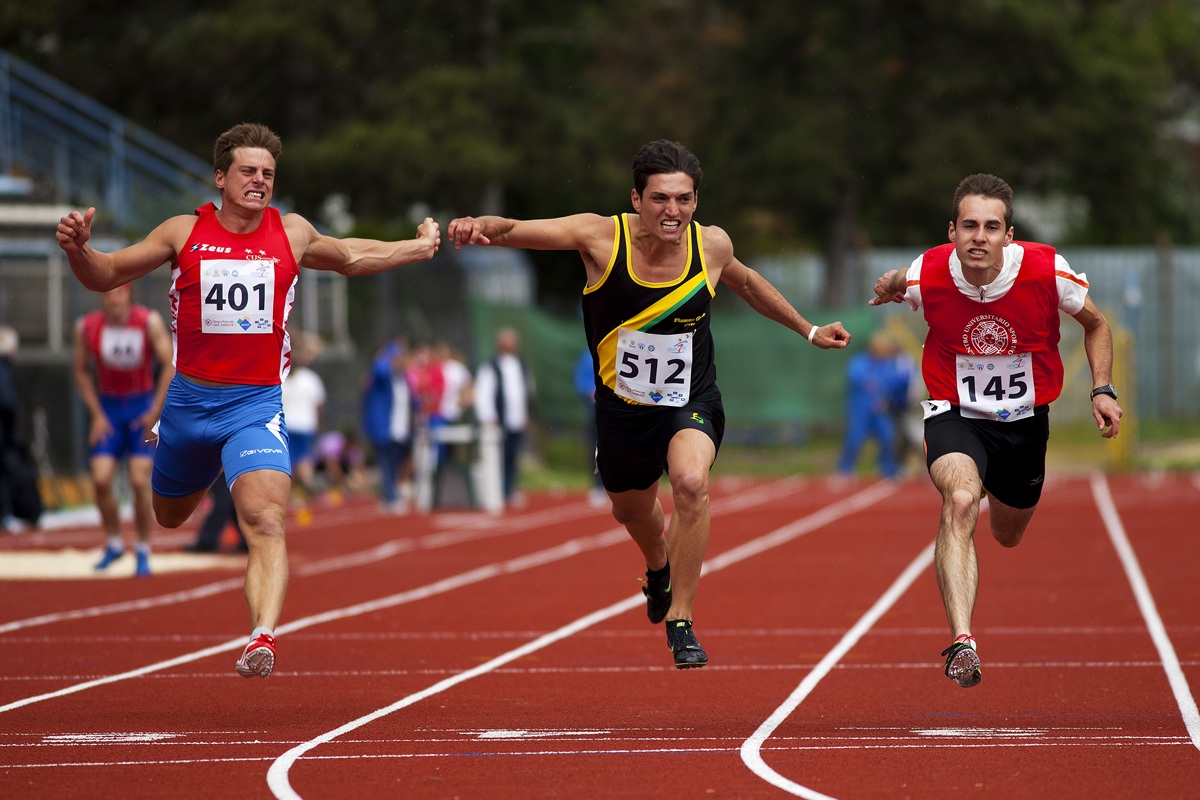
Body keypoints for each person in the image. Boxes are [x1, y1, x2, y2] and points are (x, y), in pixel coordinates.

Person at [56, 122, 440, 678]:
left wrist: (416, 246)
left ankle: (263, 635)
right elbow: (107, 273)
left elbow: (353, 255)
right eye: (247, 172)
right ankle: (201, 464)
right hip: (188, 405)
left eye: (268, 174)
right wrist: (78, 249)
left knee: (264, 518)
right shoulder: (182, 232)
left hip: (255, 406)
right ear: (220, 177)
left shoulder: (293, 232)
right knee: (168, 516)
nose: (259, 181)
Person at [449, 139, 851, 668]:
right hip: (622, 410)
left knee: (690, 482)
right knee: (631, 510)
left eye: (684, 200)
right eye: (661, 199)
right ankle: (658, 564)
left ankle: (681, 620)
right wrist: (476, 225)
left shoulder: (710, 246)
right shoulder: (598, 236)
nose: (673, 211)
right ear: (636, 199)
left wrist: (809, 328)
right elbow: (516, 230)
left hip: (690, 398)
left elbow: (748, 283)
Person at [868, 173, 1123, 689]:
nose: (979, 236)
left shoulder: (1049, 271)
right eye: (968, 226)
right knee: (961, 500)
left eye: (991, 226)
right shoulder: (928, 272)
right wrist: (888, 285)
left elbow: (1095, 325)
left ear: (1009, 235)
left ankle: (1000, 500)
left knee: (1007, 533)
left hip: (1024, 421)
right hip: (954, 410)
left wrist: (1102, 389)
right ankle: (963, 642)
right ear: (952, 232)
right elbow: (902, 278)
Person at [73, 283, 174, 576]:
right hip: (108, 409)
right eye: (108, 294)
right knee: (101, 479)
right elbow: (80, 369)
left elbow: (169, 364)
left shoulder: (147, 321)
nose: (113, 300)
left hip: (140, 407)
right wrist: (96, 413)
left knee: (139, 480)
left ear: (128, 295)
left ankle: (142, 547)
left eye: (118, 294)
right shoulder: (88, 326)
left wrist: (155, 411)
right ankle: (114, 542)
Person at [836, 330, 911, 480]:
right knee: (854, 440)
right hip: (860, 410)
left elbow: (894, 382)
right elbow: (858, 378)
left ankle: (888, 469)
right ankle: (845, 470)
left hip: (880, 411)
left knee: (888, 437)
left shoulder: (887, 364)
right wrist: (876, 386)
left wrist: (887, 398)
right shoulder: (860, 361)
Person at [472, 327, 532, 508]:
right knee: (499, 457)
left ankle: (509, 488)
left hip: (517, 419)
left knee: (513, 456)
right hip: (500, 421)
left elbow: (527, 391)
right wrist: (489, 416)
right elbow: (484, 393)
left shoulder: (521, 365)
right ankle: (498, 490)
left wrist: (528, 414)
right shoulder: (491, 366)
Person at [362, 339, 415, 514]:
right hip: (383, 427)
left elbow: (411, 400)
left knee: (395, 463)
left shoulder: (402, 379)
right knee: (385, 463)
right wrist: (385, 355)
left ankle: (389, 495)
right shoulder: (383, 376)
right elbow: (379, 370)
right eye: (397, 357)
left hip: (400, 429)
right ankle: (391, 497)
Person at [280, 331, 326, 520]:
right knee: (303, 461)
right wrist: (320, 425)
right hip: (305, 425)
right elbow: (319, 405)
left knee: (288, 463)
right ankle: (306, 490)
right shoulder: (311, 378)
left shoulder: (282, 378)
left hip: (288, 425)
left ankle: (293, 495)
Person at [573, 345, 607, 507]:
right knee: (596, 449)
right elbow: (580, 381)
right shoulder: (588, 357)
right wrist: (590, 392)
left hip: (619, 413)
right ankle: (598, 486)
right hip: (596, 412)